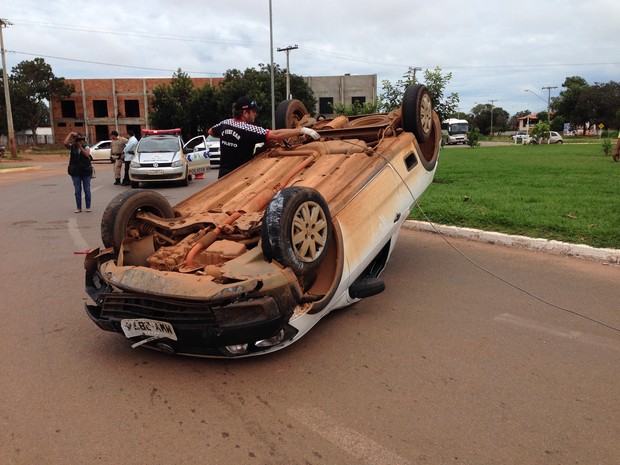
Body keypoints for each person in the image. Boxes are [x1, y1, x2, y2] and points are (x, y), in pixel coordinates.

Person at [209, 97, 320, 178]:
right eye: (253, 112)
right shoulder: (249, 129)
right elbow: (276, 135)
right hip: (239, 176)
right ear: (245, 113)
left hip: (223, 176)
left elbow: (211, 132)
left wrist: (228, 138)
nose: (255, 114)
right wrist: (301, 130)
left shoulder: (225, 123)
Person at [64, 131, 93, 213]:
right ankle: (78, 207)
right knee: (77, 191)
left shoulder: (85, 146)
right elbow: (65, 143)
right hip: (75, 171)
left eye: (78, 138)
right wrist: (70, 134)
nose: (77, 140)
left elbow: (87, 154)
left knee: (87, 189)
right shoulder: (72, 147)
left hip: (85, 171)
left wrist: (80, 147)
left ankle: (88, 207)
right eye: (76, 139)